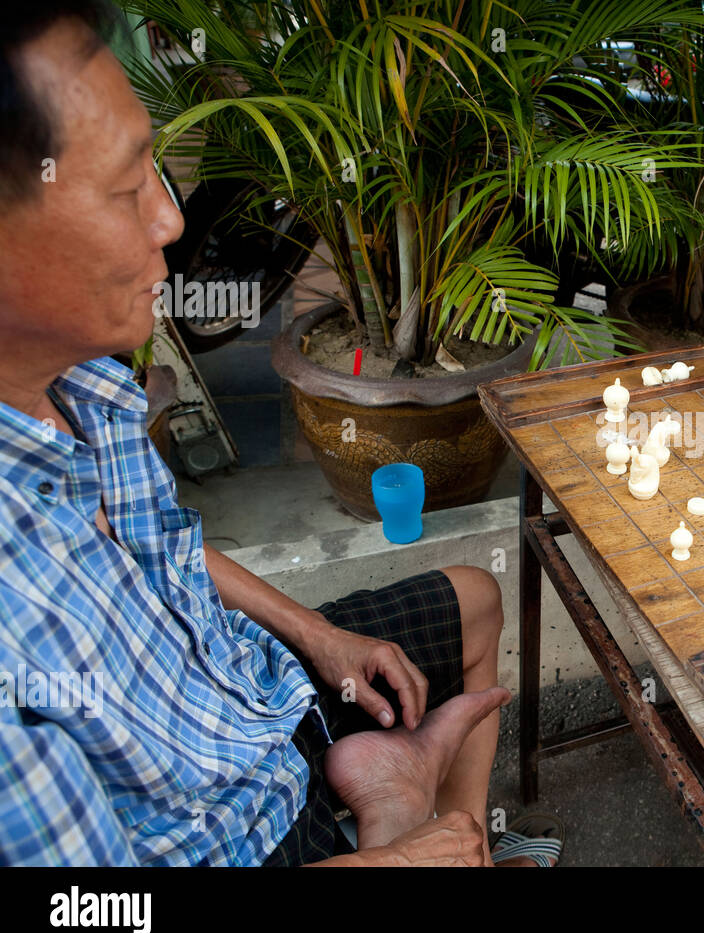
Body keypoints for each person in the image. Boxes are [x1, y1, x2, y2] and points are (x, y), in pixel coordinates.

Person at [0, 1, 555, 867]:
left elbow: (168, 551)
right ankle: (402, 823)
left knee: (475, 600)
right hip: (231, 838)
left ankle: (432, 815)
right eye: (122, 189)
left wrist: (321, 638)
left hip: (256, 699)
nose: (170, 222)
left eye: (157, 171)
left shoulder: (83, 384)